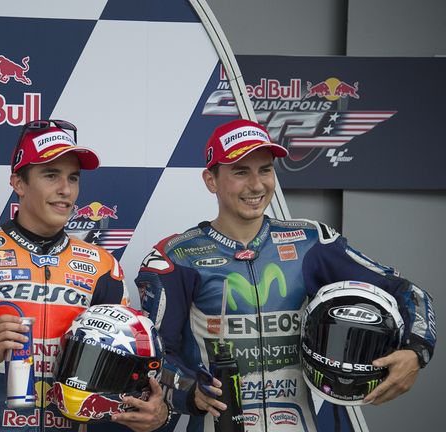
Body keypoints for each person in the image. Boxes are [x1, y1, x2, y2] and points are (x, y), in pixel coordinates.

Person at [135, 119, 436, 431]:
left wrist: (415, 352)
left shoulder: (311, 243)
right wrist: (191, 391)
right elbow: (153, 357)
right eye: (241, 172)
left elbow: (406, 291)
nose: (257, 185)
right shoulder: (177, 257)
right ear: (211, 180)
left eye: (265, 169)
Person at [0, 119, 168, 432]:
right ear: (19, 183)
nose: (65, 190)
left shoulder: (103, 268)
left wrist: (156, 411)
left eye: (72, 178)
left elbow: (132, 376)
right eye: (51, 175)